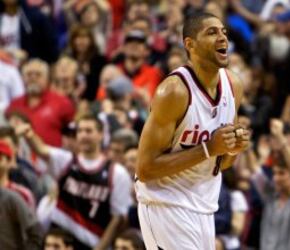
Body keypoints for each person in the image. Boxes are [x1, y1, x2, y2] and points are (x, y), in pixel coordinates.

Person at [135, 12, 250, 250]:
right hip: (164, 204)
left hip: (204, 206)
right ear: (190, 44)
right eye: (212, 32)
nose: (222, 38)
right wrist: (209, 148)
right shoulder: (174, 92)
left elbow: (224, 163)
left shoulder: (233, 85)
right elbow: (145, 169)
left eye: (224, 32)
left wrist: (233, 148)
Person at [17, 114, 133, 250]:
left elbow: (117, 219)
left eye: (88, 131)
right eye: (80, 131)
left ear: (101, 134)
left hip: (91, 242)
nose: (83, 135)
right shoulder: (66, 160)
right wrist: (29, 135)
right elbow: (42, 150)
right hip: (60, 240)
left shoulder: (116, 172)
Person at [246, 119, 290, 250]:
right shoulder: (270, 194)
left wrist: (280, 137)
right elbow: (254, 169)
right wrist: (247, 146)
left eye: (281, 173)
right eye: (274, 173)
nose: (276, 178)